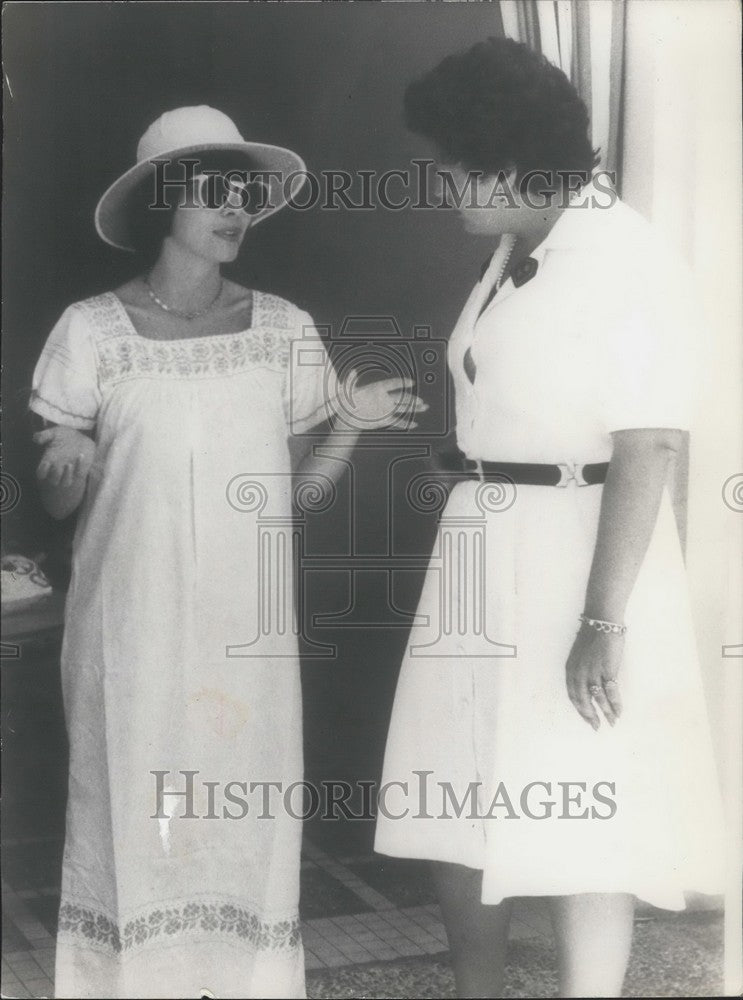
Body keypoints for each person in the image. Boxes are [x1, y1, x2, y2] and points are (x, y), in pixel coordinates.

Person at [30, 105, 425, 1000]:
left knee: (243, 821)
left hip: (246, 642)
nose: (235, 207)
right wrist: (65, 463)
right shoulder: (90, 330)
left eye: (244, 191)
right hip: (130, 632)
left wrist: (349, 431)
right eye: (211, 189)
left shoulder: (284, 329)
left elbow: (299, 499)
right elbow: (61, 501)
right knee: (133, 816)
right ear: (162, 203)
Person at [374, 38, 725, 998]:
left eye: (449, 170)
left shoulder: (624, 256)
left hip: (582, 553)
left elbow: (650, 444)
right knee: (452, 783)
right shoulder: (511, 247)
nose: (440, 187)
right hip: (484, 546)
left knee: (585, 801)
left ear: (508, 163)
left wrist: (602, 621)